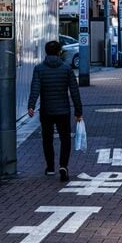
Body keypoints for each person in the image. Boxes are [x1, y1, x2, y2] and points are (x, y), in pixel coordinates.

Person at [28, 40, 83, 182]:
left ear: (46, 52)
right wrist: (78, 111)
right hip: (63, 110)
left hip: (46, 111)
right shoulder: (66, 68)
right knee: (65, 139)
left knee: (47, 139)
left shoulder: (39, 69)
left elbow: (35, 88)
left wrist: (31, 106)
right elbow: (74, 91)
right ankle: (63, 166)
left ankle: (50, 167)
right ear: (59, 52)